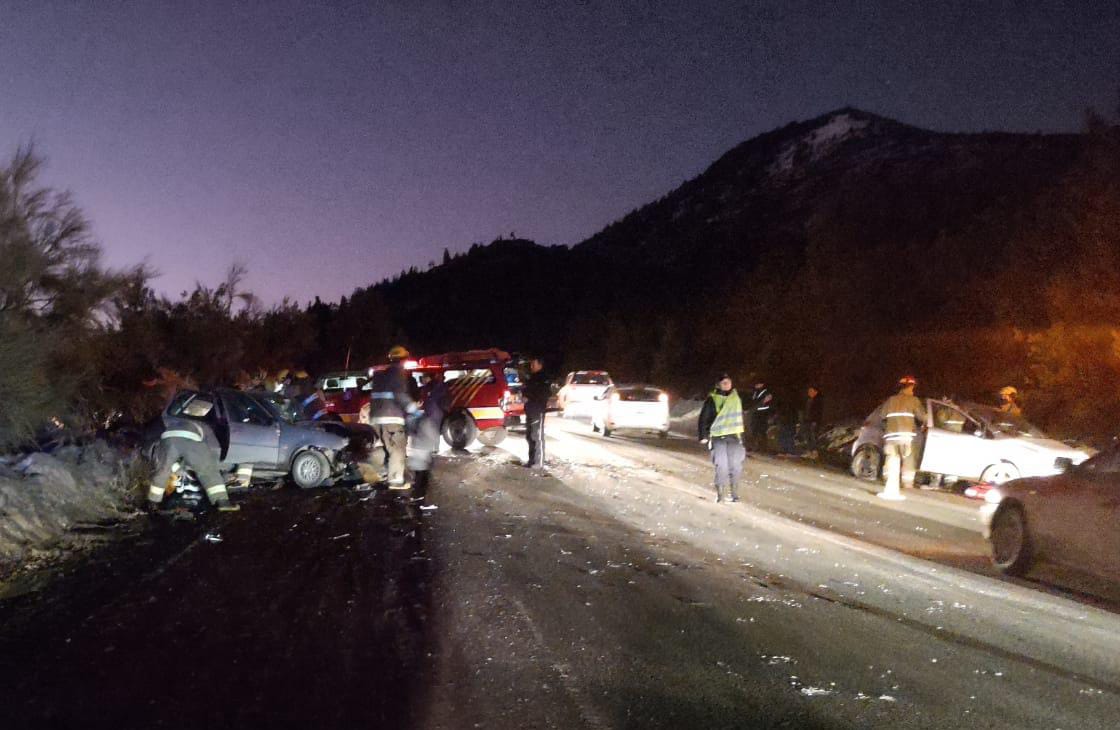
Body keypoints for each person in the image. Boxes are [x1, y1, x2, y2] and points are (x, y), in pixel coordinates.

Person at [147, 397, 239, 512]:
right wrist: (215, 466)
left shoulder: (179, 422)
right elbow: (213, 450)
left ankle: (153, 503)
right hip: (190, 438)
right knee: (208, 471)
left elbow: (170, 460)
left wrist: (179, 468)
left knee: (162, 471)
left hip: (167, 437)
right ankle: (222, 502)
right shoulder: (207, 428)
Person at [366, 345, 422, 489]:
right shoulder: (398, 374)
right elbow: (400, 395)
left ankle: (384, 472)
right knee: (397, 448)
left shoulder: (380, 376)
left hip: (376, 419)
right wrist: (415, 410)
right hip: (392, 419)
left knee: (387, 448)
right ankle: (396, 480)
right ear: (404, 360)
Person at [875, 375, 928, 501]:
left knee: (891, 458)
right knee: (908, 458)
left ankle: (888, 481)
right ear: (910, 387)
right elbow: (923, 417)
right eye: (912, 387)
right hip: (905, 437)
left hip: (891, 436)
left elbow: (882, 415)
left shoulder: (891, 400)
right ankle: (907, 483)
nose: (913, 390)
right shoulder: (913, 400)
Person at [698, 373, 747, 503]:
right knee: (721, 465)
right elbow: (704, 418)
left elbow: (747, 409)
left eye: (728, 382)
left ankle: (734, 494)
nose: (727, 384)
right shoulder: (712, 399)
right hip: (718, 437)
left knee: (735, 466)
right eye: (724, 383)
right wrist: (703, 435)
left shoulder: (736, 398)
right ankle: (720, 495)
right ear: (718, 385)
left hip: (734, 437)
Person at [407, 371, 451, 501]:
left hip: (434, 413)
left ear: (429, 378)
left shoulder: (437, 387)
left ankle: (433, 451)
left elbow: (443, 400)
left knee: (432, 431)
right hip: (432, 412)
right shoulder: (432, 387)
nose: (422, 380)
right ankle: (432, 452)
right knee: (431, 432)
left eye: (423, 378)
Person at [522, 357, 552, 469]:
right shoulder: (532, 378)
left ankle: (538, 462)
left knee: (536, 435)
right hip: (530, 409)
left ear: (540, 365)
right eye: (531, 364)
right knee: (529, 435)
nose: (531, 366)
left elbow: (543, 394)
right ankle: (531, 460)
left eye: (533, 364)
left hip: (537, 409)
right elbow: (526, 390)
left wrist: (529, 396)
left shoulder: (543, 378)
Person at [748, 380, 773, 452]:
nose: (756, 386)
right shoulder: (756, 392)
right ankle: (755, 446)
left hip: (763, 414)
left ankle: (763, 447)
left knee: (762, 431)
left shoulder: (766, 392)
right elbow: (753, 402)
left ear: (761, 384)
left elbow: (763, 402)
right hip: (756, 414)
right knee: (754, 430)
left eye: (757, 384)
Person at [799, 385, 825, 455]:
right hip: (807, 420)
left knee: (813, 436)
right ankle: (809, 450)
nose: (809, 392)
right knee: (807, 436)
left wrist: (815, 421)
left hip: (814, 421)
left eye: (811, 391)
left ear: (815, 392)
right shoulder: (808, 399)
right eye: (809, 391)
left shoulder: (818, 400)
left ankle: (814, 451)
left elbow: (818, 412)